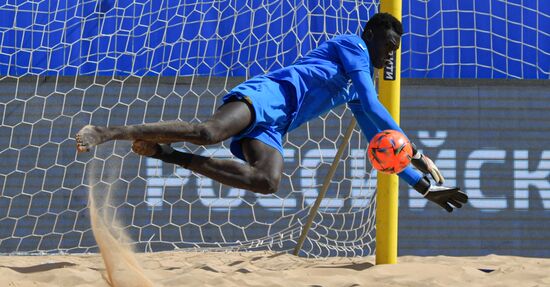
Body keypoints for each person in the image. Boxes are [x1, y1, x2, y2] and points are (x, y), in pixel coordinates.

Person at [76, 13, 468, 212]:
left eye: (396, 48)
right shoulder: (353, 46)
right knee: (210, 133)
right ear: (371, 35)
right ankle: (105, 131)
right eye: (389, 42)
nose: (391, 52)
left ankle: (165, 153)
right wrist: (416, 149)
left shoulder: (355, 86)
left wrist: (424, 186)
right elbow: (373, 104)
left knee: (267, 181)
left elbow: (382, 145)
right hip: (266, 96)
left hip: (277, 126)